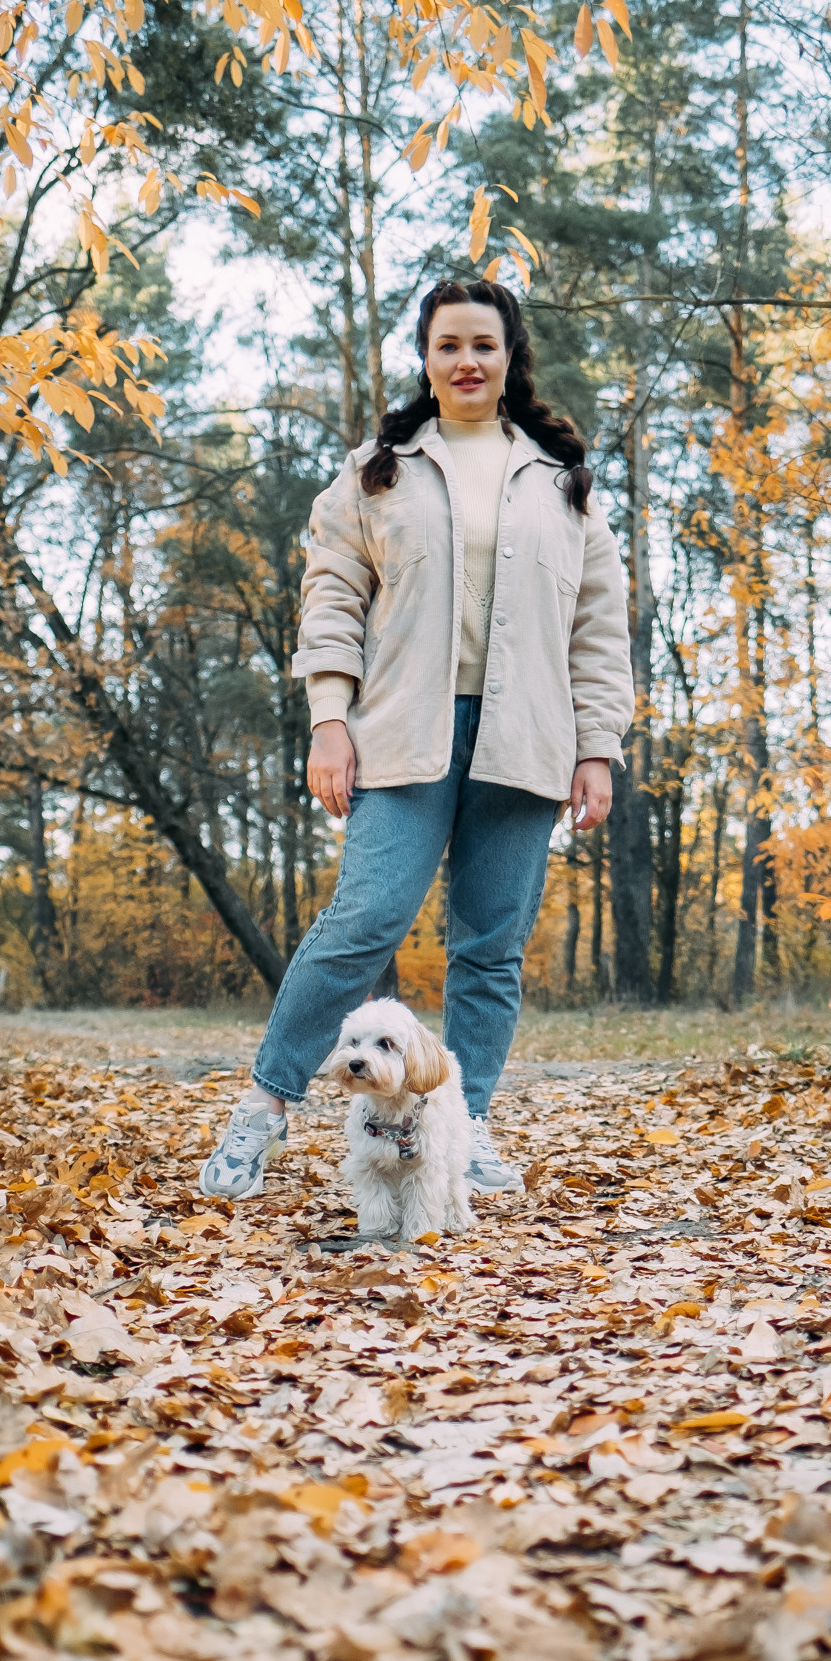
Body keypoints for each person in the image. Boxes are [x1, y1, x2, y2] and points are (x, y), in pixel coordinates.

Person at [200, 275, 633, 1201]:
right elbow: (331, 601)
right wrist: (328, 721)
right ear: (427, 358)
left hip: (526, 740)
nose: (468, 361)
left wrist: (596, 746)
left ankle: (464, 1124)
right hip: (401, 730)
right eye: (449, 345)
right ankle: (265, 1109)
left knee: (491, 946)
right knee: (362, 922)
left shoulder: (566, 485)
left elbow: (600, 629)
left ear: (510, 356)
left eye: (485, 344)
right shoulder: (377, 471)